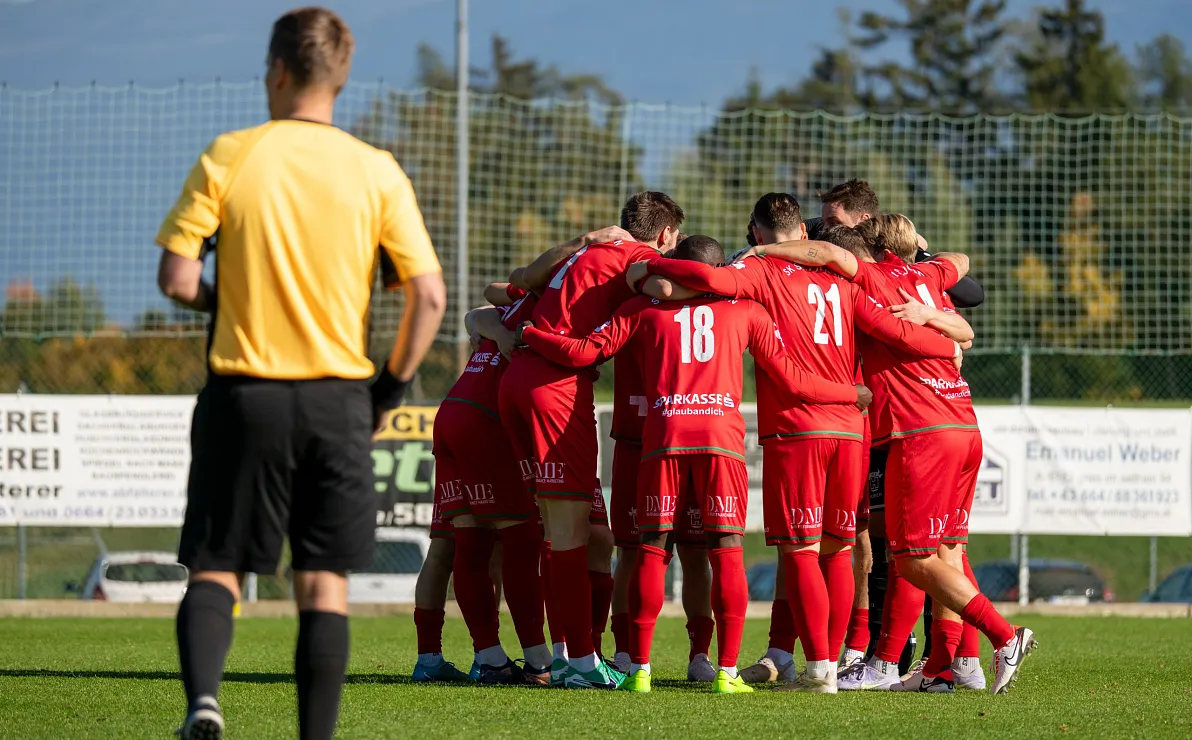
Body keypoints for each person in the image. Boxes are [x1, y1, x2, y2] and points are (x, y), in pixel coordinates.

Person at [155, 8, 446, 739]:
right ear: (340, 78)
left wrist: (232, 300)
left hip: (242, 394)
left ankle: (204, 703)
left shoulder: (231, 154)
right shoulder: (376, 170)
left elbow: (177, 278)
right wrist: (389, 389)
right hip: (337, 401)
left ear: (278, 71)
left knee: (216, 566)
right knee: (322, 583)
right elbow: (430, 297)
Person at [633, 194, 964, 693]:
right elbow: (892, 329)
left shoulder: (760, 271)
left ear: (757, 232)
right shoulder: (843, 279)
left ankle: (819, 669)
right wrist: (947, 345)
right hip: (851, 430)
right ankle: (836, 656)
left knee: (802, 552)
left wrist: (647, 267)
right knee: (840, 551)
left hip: (798, 428)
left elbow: (710, 279)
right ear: (803, 232)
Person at [519, 235, 868, 694]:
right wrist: (850, 393)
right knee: (725, 550)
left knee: (649, 549)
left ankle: (639, 670)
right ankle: (726, 672)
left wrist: (531, 334)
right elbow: (792, 378)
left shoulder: (642, 310)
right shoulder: (747, 311)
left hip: (664, 438)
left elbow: (586, 351)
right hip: (721, 443)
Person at [756, 213, 1036, 694]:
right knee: (947, 550)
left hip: (921, 430)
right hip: (962, 422)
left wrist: (760, 252)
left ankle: (1001, 637)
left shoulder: (868, 281)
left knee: (910, 558)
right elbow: (963, 295)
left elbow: (829, 254)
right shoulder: (927, 274)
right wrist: (940, 324)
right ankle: (947, 666)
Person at [499, 192, 684, 689]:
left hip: (517, 382)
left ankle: (562, 653)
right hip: (556, 386)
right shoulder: (639, 256)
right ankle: (581, 662)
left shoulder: (588, 249)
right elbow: (664, 286)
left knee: (557, 531)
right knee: (569, 534)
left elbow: (516, 281)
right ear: (665, 234)